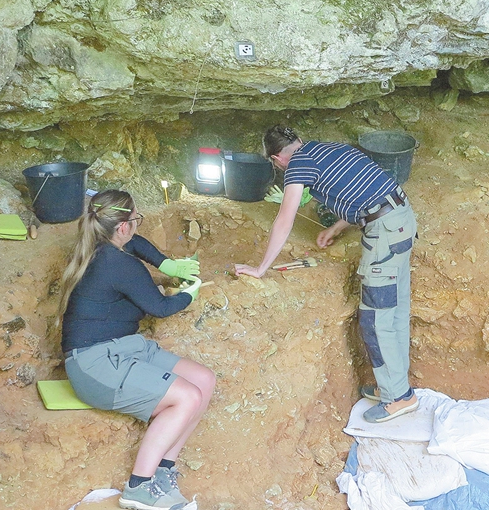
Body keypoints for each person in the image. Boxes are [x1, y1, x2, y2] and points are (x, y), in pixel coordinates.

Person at [235, 126, 418, 423]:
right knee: (395, 310)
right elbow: (361, 193)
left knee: (376, 316)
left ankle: (397, 398)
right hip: (401, 218)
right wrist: (334, 228)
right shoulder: (328, 149)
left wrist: (261, 268)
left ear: (277, 157)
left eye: (275, 163)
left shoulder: (296, 165)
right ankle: (397, 386)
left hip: (385, 232)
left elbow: (285, 219)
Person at [59, 190, 215, 510]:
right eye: (135, 220)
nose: (135, 227)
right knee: (188, 396)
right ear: (121, 227)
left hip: (125, 347)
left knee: (204, 380)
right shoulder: (118, 264)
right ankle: (139, 487)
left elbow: (138, 243)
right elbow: (159, 306)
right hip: (94, 363)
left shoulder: (102, 246)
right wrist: (189, 294)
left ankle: (162, 470)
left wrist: (168, 263)